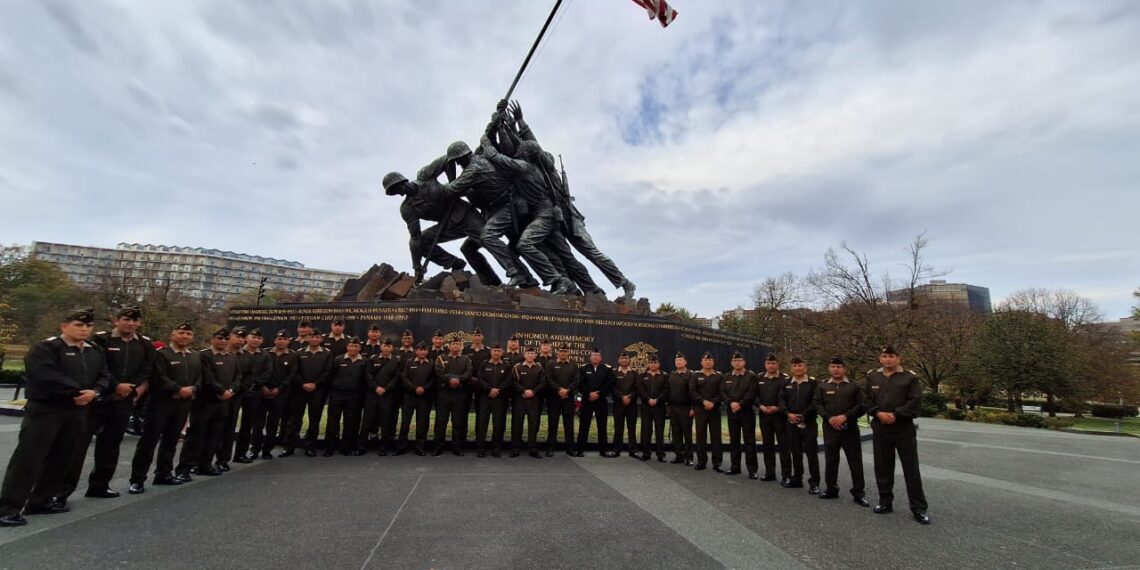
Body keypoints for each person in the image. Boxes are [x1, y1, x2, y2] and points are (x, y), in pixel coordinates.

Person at [0, 308, 110, 527]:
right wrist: (78, 392)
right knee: (29, 459)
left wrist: (95, 392)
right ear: (64, 326)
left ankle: (40, 501)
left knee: (62, 457)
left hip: (78, 411)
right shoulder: (46, 347)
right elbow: (45, 375)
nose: (84, 329)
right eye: (79, 325)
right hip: (47, 410)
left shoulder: (94, 350)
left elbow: (105, 375)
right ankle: (8, 508)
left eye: (88, 326)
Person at [58, 306, 152, 504]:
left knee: (111, 445)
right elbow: (99, 366)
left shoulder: (144, 344)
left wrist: (133, 391)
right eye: (126, 319)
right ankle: (62, 491)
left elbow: (146, 370)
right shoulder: (102, 339)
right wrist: (116, 385)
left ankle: (100, 485)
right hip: (99, 398)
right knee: (78, 446)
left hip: (124, 400)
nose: (131, 323)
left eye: (135, 320)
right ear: (116, 320)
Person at [382, 154, 501, 286]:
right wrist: (417, 267)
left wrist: (452, 184)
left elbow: (448, 160)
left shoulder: (424, 176)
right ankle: (455, 264)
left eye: (397, 188)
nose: (399, 192)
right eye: (394, 191)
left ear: (402, 181)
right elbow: (415, 238)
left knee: (489, 240)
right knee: (423, 241)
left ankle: (517, 273)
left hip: (465, 215)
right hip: (448, 226)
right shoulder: (407, 209)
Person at [129, 322, 201, 495]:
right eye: (181, 332)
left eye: (188, 334)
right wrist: (178, 389)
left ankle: (164, 473)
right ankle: (137, 480)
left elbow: (200, 378)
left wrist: (192, 389)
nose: (185, 336)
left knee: (171, 440)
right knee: (148, 442)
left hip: (183, 404)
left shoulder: (195, 356)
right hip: (161, 404)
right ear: (173, 334)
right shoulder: (161, 354)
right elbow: (159, 377)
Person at [865, 346, 930, 524]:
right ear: (880, 358)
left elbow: (915, 401)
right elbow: (866, 399)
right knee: (883, 467)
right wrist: (878, 413)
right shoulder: (872, 376)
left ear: (898, 358)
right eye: (884, 356)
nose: (888, 359)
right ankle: (885, 501)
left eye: (891, 356)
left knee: (911, 469)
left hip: (903, 428)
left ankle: (918, 508)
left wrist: (896, 414)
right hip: (880, 427)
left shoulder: (909, 377)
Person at [176, 327, 240, 480]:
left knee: (214, 435)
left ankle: (205, 464)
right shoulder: (204, 355)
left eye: (226, 339)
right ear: (213, 339)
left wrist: (231, 390)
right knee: (196, 435)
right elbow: (207, 377)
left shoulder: (232, 357)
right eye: (219, 338)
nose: (223, 341)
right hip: (205, 402)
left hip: (223, 403)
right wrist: (221, 391)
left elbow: (238, 376)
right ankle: (185, 468)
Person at [815, 357, 869, 506]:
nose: (836, 369)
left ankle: (858, 493)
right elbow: (818, 404)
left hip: (849, 429)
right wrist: (829, 418)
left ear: (844, 369)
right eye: (833, 366)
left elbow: (862, 405)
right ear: (829, 368)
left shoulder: (854, 386)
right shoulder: (823, 386)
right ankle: (831, 489)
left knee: (855, 461)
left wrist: (845, 416)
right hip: (830, 428)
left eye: (839, 366)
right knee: (831, 460)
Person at [280, 329, 332, 458]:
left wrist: (316, 384)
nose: (314, 339)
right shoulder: (299, 353)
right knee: (294, 420)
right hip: (300, 390)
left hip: (317, 391)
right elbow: (294, 372)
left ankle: (310, 446)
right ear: (308, 338)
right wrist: (303, 384)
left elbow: (328, 372)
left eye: (317, 337)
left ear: (321, 339)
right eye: (312, 336)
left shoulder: (327, 354)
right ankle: (289, 447)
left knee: (314, 420)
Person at [251, 330, 296, 460]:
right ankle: (254, 449)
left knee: (273, 423)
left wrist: (279, 388)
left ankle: (267, 450)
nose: (281, 341)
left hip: (280, 394)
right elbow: (257, 371)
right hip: (263, 392)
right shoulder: (265, 353)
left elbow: (291, 375)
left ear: (288, 341)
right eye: (279, 339)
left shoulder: (293, 355)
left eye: (284, 339)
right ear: (275, 340)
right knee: (258, 423)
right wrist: (263, 387)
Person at [780, 357, 820, 494]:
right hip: (791, 422)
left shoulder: (813, 383)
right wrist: (787, 414)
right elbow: (781, 400)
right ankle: (797, 478)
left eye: (800, 365)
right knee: (795, 451)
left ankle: (814, 482)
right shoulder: (786, 383)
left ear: (805, 367)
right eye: (795, 366)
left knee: (811, 453)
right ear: (791, 368)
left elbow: (816, 402)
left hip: (808, 422)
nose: (797, 368)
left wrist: (803, 416)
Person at [324, 337, 368, 456]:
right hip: (337, 394)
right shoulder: (338, 359)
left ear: (360, 348)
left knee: (350, 423)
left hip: (354, 397)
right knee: (333, 422)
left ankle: (346, 447)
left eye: (356, 346)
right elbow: (330, 376)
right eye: (351, 346)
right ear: (347, 347)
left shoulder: (364, 361)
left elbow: (365, 381)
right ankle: (330, 447)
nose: (353, 348)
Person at [233, 328, 272, 463]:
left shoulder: (265, 355)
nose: (256, 340)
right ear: (247, 338)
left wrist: (256, 384)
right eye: (253, 337)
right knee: (229, 424)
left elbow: (267, 372)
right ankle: (222, 457)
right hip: (237, 392)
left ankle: (241, 453)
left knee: (247, 424)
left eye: (259, 338)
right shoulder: (237, 353)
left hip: (255, 392)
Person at [433, 336, 473, 456]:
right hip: (444, 394)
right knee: (441, 422)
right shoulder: (441, 358)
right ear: (449, 346)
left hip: (459, 394)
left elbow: (469, 372)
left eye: (457, 344)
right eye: (453, 344)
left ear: (461, 346)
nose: (455, 346)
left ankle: (457, 447)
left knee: (458, 422)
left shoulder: (466, 359)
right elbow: (438, 372)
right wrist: (451, 379)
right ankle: (438, 447)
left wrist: (458, 380)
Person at [722, 351, 758, 478]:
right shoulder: (726, 377)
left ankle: (752, 469)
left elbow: (752, 393)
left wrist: (740, 404)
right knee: (734, 440)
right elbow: (723, 393)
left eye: (739, 360)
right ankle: (735, 466)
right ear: (731, 363)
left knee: (749, 441)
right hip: (732, 412)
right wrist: (730, 403)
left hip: (746, 412)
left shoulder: (751, 376)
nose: (737, 363)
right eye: (735, 361)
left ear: (744, 362)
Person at [755, 354, 790, 482]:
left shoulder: (785, 379)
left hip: (779, 416)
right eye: (769, 363)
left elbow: (787, 398)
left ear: (777, 365)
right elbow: (755, 395)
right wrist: (760, 406)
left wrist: (778, 408)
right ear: (765, 365)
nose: (771, 366)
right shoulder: (759, 378)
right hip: (764, 416)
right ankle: (770, 472)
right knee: (767, 445)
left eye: (773, 363)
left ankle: (786, 475)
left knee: (783, 445)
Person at [362, 338, 400, 456]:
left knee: (385, 422)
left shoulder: (396, 361)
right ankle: (361, 446)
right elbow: (368, 375)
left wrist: (386, 388)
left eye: (389, 346)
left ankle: (383, 447)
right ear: (381, 347)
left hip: (387, 395)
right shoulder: (373, 359)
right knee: (367, 421)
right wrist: (376, 387)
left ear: (392, 348)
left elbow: (396, 377)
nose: (387, 348)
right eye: (385, 345)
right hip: (373, 394)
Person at [398, 342, 436, 456]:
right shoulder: (409, 362)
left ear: (427, 351)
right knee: (405, 422)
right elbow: (404, 377)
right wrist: (415, 388)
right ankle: (401, 447)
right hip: (410, 396)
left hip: (424, 397)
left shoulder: (431, 363)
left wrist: (424, 388)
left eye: (424, 350)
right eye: (420, 350)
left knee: (422, 423)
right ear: (416, 351)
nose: (422, 352)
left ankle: (420, 447)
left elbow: (433, 379)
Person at [475, 344, 512, 457]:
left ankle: (496, 449)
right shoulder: (484, 363)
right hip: (485, 397)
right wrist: (489, 389)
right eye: (494, 350)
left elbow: (509, 380)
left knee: (498, 424)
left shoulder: (506, 365)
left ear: (502, 352)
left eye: (498, 351)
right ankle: (481, 449)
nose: (496, 353)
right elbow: (480, 378)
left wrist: (498, 390)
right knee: (482, 423)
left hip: (500, 398)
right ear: (491, 352)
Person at [577, 348, 615, 458]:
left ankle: (603, 450)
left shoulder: (607, 369)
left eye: (597, 355)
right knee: (584, 425)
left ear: (600, 357)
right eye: (593, 355)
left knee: (602, 426)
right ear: (590, 357)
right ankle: (580, 449)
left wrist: (598, 393)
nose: (595, 357)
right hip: (587, 400)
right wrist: (589, 393)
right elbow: (580, 384)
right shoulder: (584, 368)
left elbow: (610, 383)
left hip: (601, 400)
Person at [690, 352, 724, 472]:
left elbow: (722, 393)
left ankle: (717, 463)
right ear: (701, 362)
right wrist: (703, 402)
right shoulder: (695, 375)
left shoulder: (719, 376)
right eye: (705, 360)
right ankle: (701, 461)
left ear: (713, 362)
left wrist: (713, 403)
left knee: (716, 437)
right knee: (700, 436)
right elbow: (692, 391)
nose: (708, 362)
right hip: (700, 410)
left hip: (714, 410)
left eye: (710, 360)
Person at [510, 347, 546, 458]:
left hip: (534, 399)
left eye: (532, 353)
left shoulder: (539, 368)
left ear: (535, 356)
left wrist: (533, 392)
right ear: (524, 355)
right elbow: (513, 382)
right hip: (520, 399)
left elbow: (543, 383)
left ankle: (532, 448)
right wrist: (523, 390)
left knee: (533, 424)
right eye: (528, 353)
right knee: (517, 424)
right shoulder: (518, 367)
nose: (530, 355)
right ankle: (515, 448)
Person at [544, 343, 578, 457]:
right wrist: (559, 390)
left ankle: (570, 448)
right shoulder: (551, 363)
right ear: (557, 352)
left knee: (568, 423)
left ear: (568, 353)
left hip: (568, 398)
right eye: (561, 351)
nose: (563, 353)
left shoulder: (573, 364)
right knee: (552, 423)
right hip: (554, 398)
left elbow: (576, 379)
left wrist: (567, 390)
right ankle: (550, 448)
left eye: (565, 351)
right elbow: (549, 379)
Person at [636, 353, 668, 462]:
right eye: (651, 362)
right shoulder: (642, 376)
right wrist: (648, 399)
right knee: (646, 430)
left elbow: (666, 390)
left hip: (659, 406)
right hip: (646, 406)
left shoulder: (664, 376)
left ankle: (660, 454)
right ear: (648, 364)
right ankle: (646, 453)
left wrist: (657, 399)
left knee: (659, 430)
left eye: (655, 362)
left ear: (659, 364)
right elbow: (640, 390)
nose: (653, 364)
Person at [666, 352, 695, 465]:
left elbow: (693, 392)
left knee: (687, 434)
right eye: (677, 360)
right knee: (676, 433)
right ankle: (679, 455)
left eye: (681, 360)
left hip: (686, 408)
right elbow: (668, 391)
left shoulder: (691, 374)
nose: (678, 362)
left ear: (685, 362)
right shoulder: (671, 374)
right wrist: (668, 406)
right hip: (673, 408)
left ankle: (689, 457)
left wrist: (693, 407)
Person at [611, 351, 639, 458]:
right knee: (618, 428)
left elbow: (637, 388)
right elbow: (612, 388)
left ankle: (633, 450)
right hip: (618, 404)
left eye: (626, 358)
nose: (624, 360)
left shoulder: (634, 373)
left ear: (629, 360)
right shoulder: (614, 372)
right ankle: (616, 449)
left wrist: (630, 397)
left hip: (631, 405)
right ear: (619, 360)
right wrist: (622, 397)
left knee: (632, 428)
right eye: (622, 358)